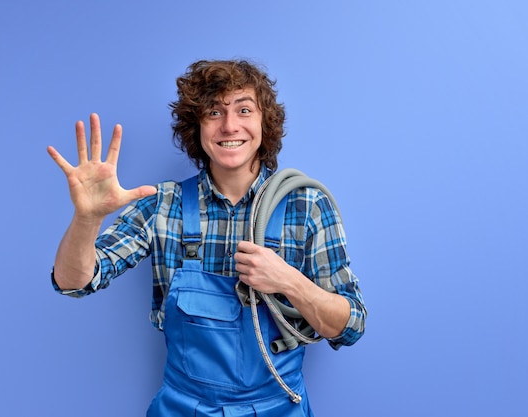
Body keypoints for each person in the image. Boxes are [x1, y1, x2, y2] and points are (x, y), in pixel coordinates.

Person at [47, 59, 366, 416]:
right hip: (184, 408)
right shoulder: (163, 204)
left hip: (278, 407)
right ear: (196, 127)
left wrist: (288, 280)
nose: (230, 126)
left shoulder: (306, 205)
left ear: (265, 123)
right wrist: (86, 219)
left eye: (244, 109)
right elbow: (73, 282)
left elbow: (349, 326)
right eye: (214, 112)